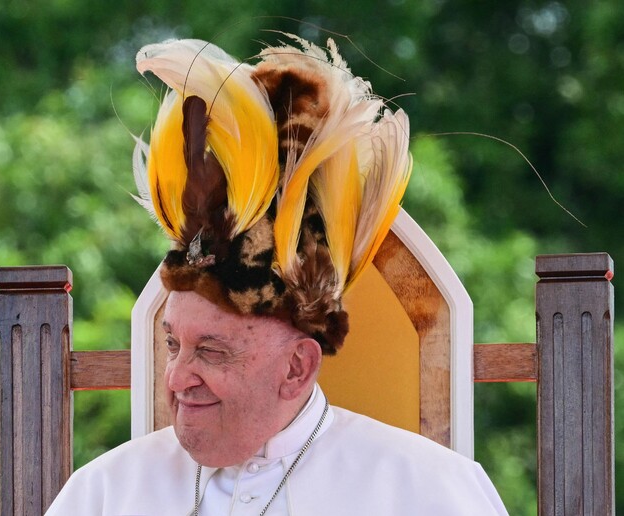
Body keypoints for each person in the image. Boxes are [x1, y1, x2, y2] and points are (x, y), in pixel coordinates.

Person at [46, 34, 508, 515]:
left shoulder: (428, 490)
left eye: (210, 350)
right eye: (171, 344)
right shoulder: (102, 493)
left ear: (297, 368)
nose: (178, 377)